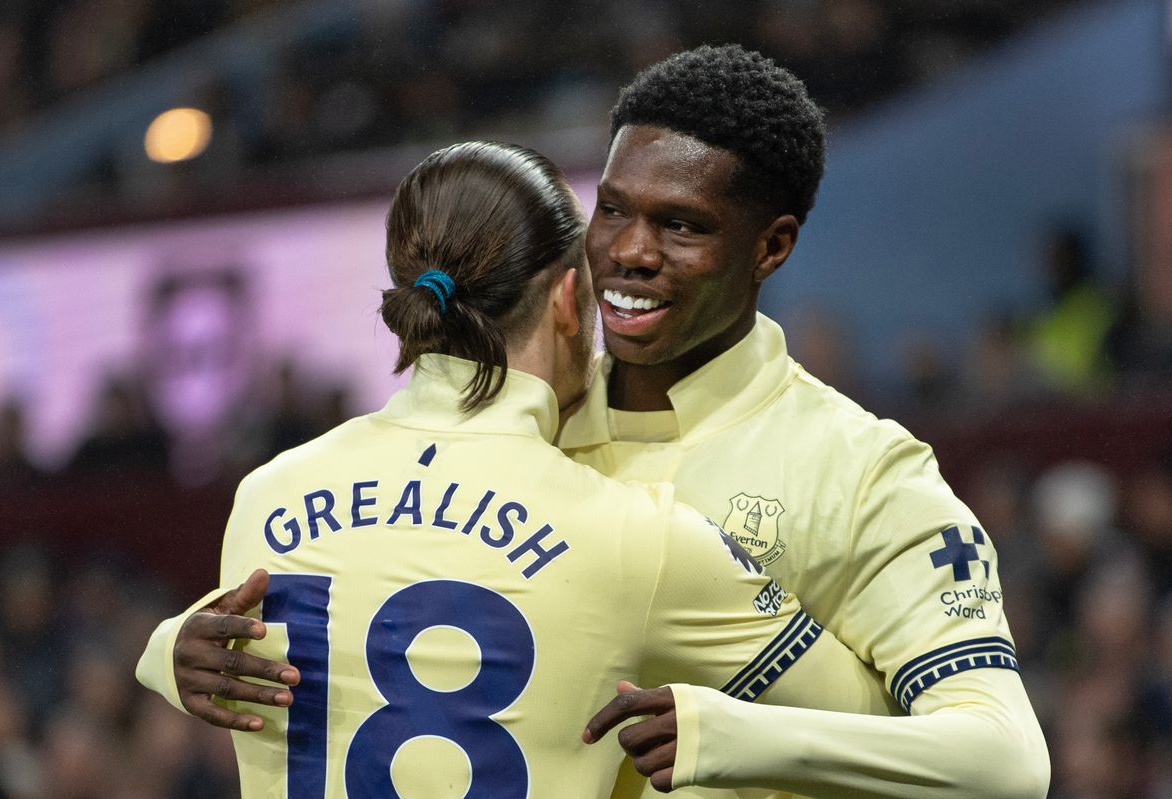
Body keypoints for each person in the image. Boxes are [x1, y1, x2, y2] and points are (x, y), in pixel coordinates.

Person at [140, 45, 1050, 798]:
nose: (631, 251)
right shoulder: (513, 421)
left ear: (771, 245)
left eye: (682, 226)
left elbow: (1003, 758)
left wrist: (738, 734)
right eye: (612, 210)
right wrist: (172, 650)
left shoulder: (864, 474)